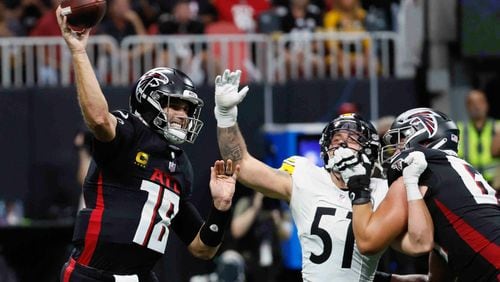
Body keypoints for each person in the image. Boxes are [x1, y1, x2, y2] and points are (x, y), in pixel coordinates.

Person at [56, 7, 238, 281]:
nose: (182, 115)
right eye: (174, 104)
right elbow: (98, 119)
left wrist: (221, 209)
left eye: (187, 109)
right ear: (147, 101)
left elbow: (202, 249)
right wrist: (79, 52)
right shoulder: (130, 131)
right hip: (92, 274)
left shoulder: (180, 166)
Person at [213, 69, 428, 281]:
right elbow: (242, 165)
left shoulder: (383, 190)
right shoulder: (306, 176)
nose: (342, 144)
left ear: (369, 150)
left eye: (352, 139)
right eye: (336, 140)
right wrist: (225, 117)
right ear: (325, 150)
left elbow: (416, 243)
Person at [344, 107, 500, 281]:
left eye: (401, 140)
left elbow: (368, 242)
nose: (395, 150)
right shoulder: (453, 169)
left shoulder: (418, 168)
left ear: (425, 134)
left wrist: (358, 185)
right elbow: (438, 278)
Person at [457, 89, 500, 186]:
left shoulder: (498, 127)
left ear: (487, 105)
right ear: (467, 107)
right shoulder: (458, 130)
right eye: (472, 103)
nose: (477, 106)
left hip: (495, 184)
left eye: (480, 102)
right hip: (470, 184)